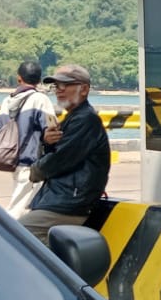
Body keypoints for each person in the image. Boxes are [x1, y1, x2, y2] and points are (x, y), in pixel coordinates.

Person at [18, 64, 111, 244]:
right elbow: (59, 157)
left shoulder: (85, 120)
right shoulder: (73, 118)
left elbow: (57, 161)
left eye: (65, 85)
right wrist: (47, 142)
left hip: (69, 203)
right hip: (60, 200)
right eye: (56, 86)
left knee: (17, 234)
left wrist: (35, 170)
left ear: (84, 89)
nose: (59, 90)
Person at [0, 61, 56, 214]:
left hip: (14, 163)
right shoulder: (41, 99)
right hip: (32, 165)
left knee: (25, 209)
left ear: (19, 78)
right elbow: (52, 130)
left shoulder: (8, 101)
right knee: (19, 212)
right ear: (39, 80)